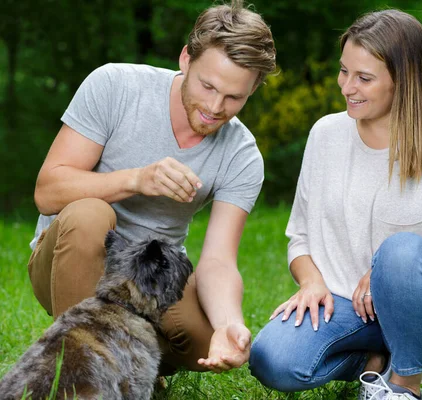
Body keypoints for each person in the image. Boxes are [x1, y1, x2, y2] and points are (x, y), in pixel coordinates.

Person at [249, 9, 422, 400]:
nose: (347, 86)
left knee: (400, 252)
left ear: (404, 81)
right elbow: (299, 238)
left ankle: (402, 387)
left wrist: (394, 269)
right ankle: (374, 361)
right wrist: (312, 281)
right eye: (343, 71)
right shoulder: (325, 136)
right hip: (349, 310)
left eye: (364, 78)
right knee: (272, 359)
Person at [27, 0, 276, 377]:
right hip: (69, 261)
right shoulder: (116, 85)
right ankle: (85, 371)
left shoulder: (242, 154)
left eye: (234, 98)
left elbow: (218, 260)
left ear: (253, 89)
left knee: (203, 342)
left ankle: (129, 356)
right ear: (185, 60)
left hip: (152, 277)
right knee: (90, 213)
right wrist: (135, 179)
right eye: (207, 86)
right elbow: (47, 191)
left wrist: (228, 322)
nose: (214, 106)